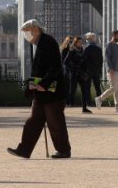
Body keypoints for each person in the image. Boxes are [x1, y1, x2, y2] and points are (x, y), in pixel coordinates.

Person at [7, 19, 71, 159]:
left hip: (51, 91)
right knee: (34, 122)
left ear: (35, 29)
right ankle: (24, 149)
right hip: (41, 90)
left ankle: (64, 150)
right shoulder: (40, 43)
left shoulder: (47, 42)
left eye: (27, 32)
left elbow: (54, 68)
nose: (26, 36)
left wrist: (43, 84)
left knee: (55, 122)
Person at [95, 30, 118, 113]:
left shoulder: (117, 45)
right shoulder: (109, 45)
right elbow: (107, 58)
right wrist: (110, 69)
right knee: (113, 88)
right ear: (114, 36)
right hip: (112, 70)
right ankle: (99, 99)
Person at [67, 37, 93, 114]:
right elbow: (65, 62)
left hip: (81, 74)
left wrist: (86, 71)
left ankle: (84, 108)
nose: (81, 43)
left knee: (84, 90)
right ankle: (66, 103)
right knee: (72, 91)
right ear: (75, 43)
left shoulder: (83, 51)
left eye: (82, 42)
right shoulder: (72, 51)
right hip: (74, 73)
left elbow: (86, 62)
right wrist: (73, 68)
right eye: (79, 42)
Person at [82, 32, 104, 100]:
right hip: (96, 70)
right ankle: (99, 101)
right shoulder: (99, 49)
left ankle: (88, 101)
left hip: (88, 70)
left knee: (87, 87)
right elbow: (101, 61)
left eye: (87, 39)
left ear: (89, 39)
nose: (87, 40)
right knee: (97, 87)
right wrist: (100, 70)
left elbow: (84, 60)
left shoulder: (87, 49)